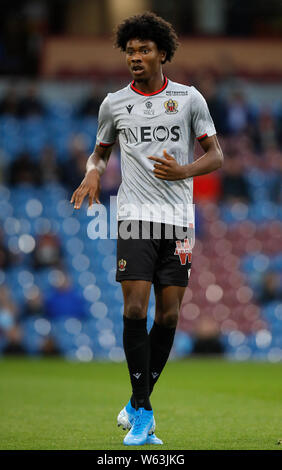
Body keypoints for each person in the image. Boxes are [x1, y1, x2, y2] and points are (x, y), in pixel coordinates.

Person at [70, 12, 223, 446]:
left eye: (144, 50)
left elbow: (216, 156)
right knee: (135, 309)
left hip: (179, 220)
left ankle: (136, 404)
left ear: (162, 53)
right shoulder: (113, 104)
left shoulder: (189, 99)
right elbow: (98, 153)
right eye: (130, 51)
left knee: (170, 315)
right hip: (134, 215)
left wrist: (184, 171)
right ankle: (144, 414)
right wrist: (93, 173)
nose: (135, 57)